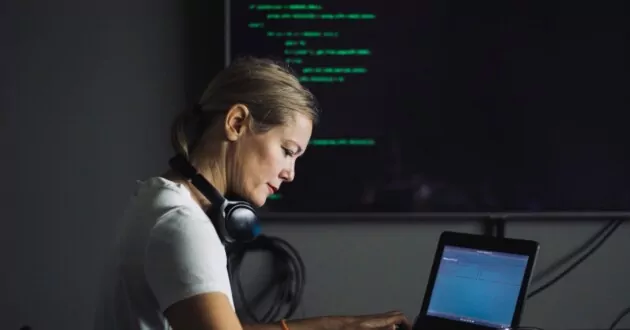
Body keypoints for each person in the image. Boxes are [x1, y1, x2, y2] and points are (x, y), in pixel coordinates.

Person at [93, 57, 412, 330]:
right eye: (288, 151)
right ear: (236, 122)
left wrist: (339, 326)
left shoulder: (160, 198)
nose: (291, 173)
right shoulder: (181, 225)